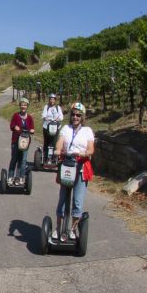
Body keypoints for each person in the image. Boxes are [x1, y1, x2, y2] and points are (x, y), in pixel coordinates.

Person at [54, 102, 95, 242]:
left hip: (81, 168)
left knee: (77, 201)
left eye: (78, 115)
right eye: (73, 114)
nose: (75, 117)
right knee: (62, 200)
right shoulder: (65, 128)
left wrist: (84, 153)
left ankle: (72, 230)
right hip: (67, 166)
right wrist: (58, 150)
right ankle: (58, 228)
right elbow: (60, 141)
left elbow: (91, 149)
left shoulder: (87, 131)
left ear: (82, 117)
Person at [8, 97, 35, 185]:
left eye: (25, 105)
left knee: (23, 160)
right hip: (16, 141)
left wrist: (32, 130)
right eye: (22, 105)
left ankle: (21, 177)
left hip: (25, 143)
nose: (23, 106)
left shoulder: (30, 118)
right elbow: (12, 125)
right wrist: (15, 127)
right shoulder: (16, 116)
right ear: (20, 106)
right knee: (14, 159)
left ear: (27, 106)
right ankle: (11, 177)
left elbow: (32, 128)